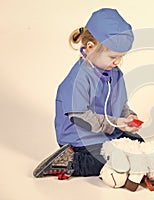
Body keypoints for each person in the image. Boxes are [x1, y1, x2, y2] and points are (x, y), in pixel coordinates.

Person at [33, 8, 144, 180]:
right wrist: (115, 124)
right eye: (113, 56)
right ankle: (69, 162)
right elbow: (81, 119)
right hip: (81, 137)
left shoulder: (114, 73)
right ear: (91, 48)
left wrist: (128, 117)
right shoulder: (78, 79)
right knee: (107, 160)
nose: (117, 62)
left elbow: (120, 104)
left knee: (139, 145)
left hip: (108, 131)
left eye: (121, 57)